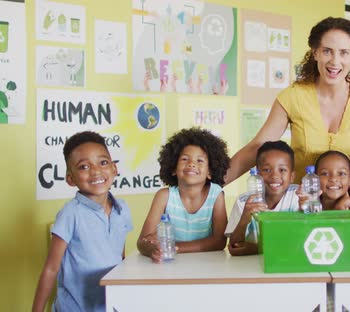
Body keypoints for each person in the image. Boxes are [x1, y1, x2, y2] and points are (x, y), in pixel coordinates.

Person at [226, 17, 350, 190]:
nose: (335, 61)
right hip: (299, 200)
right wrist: (213, 185)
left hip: (348, 201)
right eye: (327, 51)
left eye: (344, 52)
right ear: (315, 53)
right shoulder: (293, 96)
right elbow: (257, 147)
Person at [32, 131, 133, 312]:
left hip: (109, 305)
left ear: (114, 169)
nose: (95, 171)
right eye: (84, 167)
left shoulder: (122, 209)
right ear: (71, 179)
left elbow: (120, 258)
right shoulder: (71, 213)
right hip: (75, 308)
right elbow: (51, 269)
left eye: (103, 163)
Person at [137, 127, 229, 262]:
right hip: (170, 264)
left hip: (208, 265)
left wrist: (175, 247)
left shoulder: (216, 195)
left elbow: (219, 242)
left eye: (200, 161)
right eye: (185, 159)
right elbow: (142, 242)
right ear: (173, 168)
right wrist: (153, 249)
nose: (191, 164)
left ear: (210, 172)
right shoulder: (164, 196)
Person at [225, 141, 300, 256]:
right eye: (266, 170)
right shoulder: (244, 201)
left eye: (282, 170)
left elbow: (299, 242)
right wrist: (245, 218)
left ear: (292, 176)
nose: (274, 176)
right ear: (257, 174)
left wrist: (257, 248)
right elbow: (234, 245)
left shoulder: (297, 196)